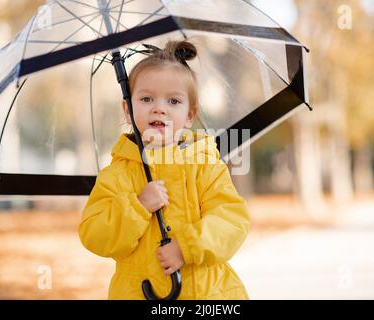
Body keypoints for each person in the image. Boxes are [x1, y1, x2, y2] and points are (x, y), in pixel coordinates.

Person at [79, 40, 251, 299]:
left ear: (190, 115)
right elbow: (94, 234)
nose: (159, 108)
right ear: (128, 109)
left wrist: (187, 247)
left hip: (206, 295)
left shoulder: (205, 166)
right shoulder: (116, 175)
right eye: (146, 98)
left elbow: (232, 221)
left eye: (173, 100)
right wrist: (137, 206)